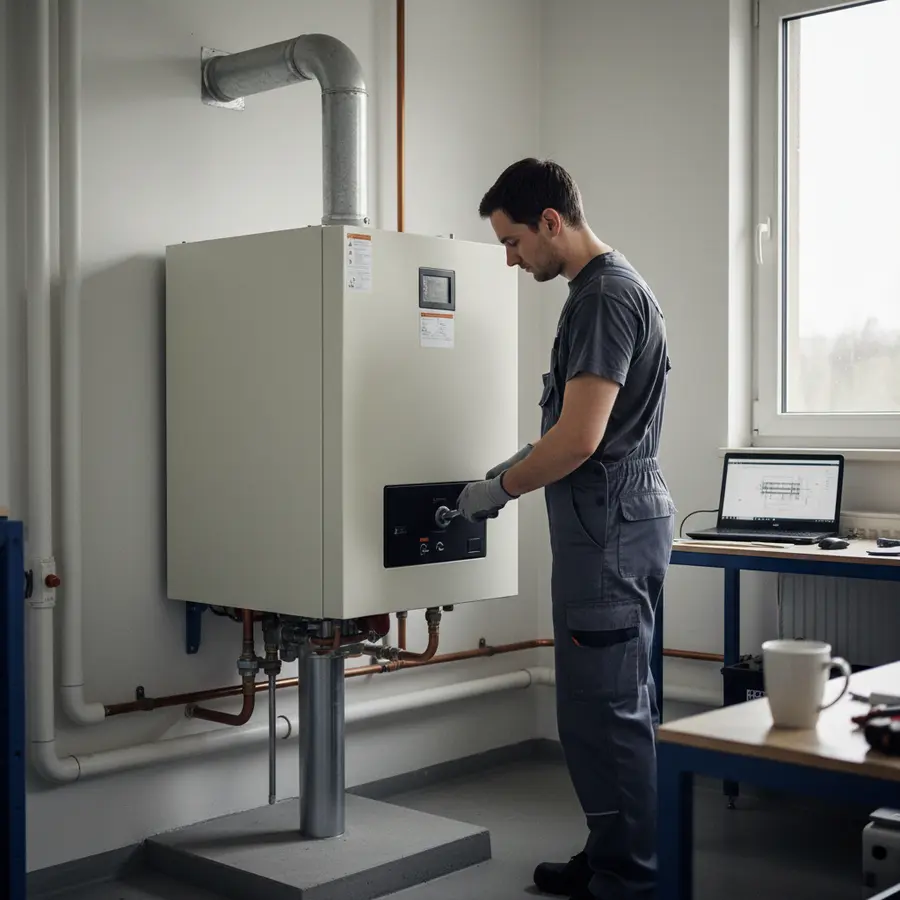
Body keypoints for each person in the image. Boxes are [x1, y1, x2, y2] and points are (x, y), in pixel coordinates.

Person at [456, 158, 674, 900]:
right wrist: (513, 465)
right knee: (597, 704)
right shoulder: (599, 291)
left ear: (552, 222)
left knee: (609, 711)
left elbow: (580, 440)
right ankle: (613, 852)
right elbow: (575, 429)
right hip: (609, 518)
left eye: (514, 243)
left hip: (607, 525)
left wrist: (501, 490)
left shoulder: (605, 298)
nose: (511, 260)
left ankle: (632, 878)